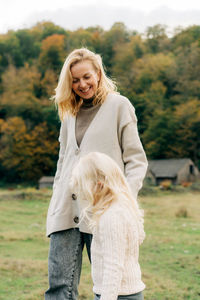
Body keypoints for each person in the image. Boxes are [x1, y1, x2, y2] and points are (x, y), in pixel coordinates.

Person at [45, 48, 148, 300]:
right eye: (75, 80)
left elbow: (136, 161)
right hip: (66, 209)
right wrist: (55, 201)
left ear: (99, 74)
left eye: (86, 77)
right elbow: (63, 162)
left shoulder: (119, 106)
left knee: (107, 283)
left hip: (103, 209)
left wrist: (123, 200)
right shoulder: (68, 111)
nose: (82, 84)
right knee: (58, 286)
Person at [70, 152, 146, 300]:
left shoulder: (111, 216)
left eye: (83, 190)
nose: (83, 197)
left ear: (99, 186)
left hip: (117, 294)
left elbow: (113, 267)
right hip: (125, 292)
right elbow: (139, 238)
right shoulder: (124, 207)